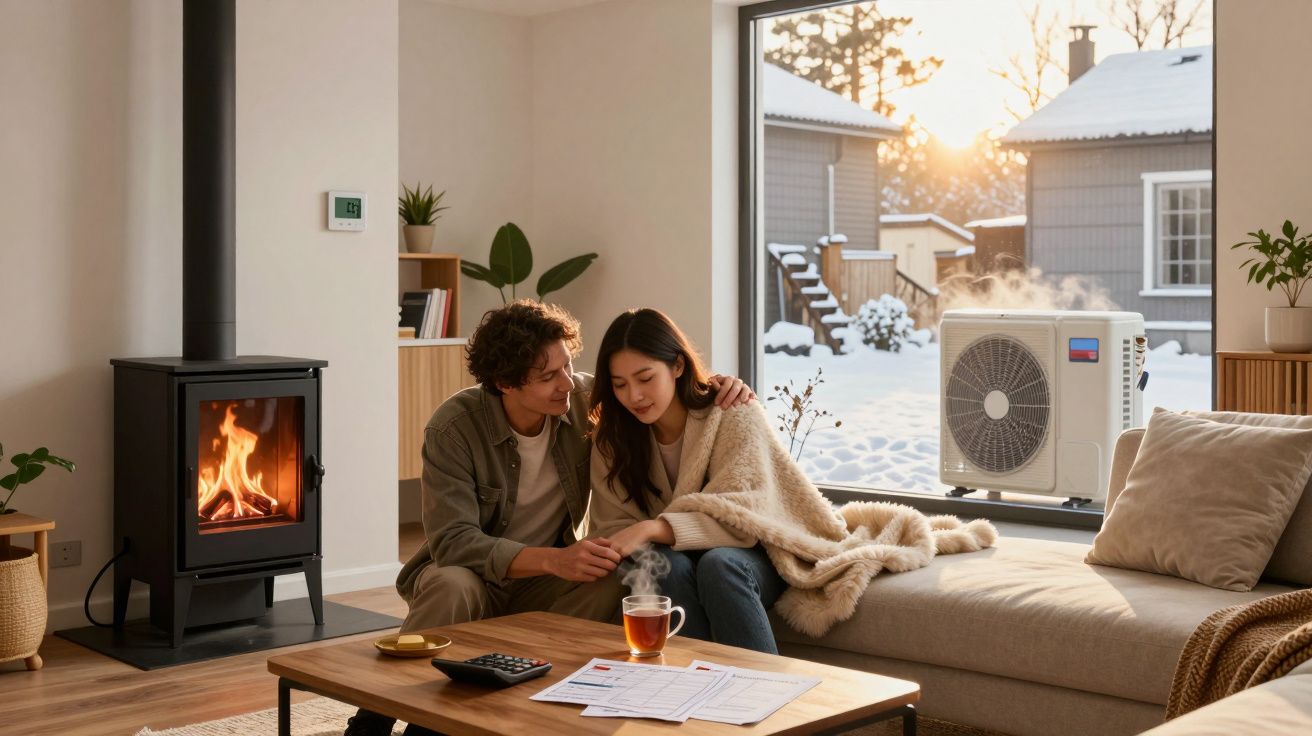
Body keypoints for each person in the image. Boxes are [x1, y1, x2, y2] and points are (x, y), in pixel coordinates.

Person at [346, 300, 752, 736]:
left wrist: (717, 388)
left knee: (615, 573)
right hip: (473, 575)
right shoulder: (454, 428)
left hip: (542, 583)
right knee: (451, 583)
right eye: (547, 377)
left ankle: (530, 707)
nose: (567, 383)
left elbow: (652, 395)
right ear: (505, 383)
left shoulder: (583, 400)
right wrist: (554, 560)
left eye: (568, 365)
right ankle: (371, 720)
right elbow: (453, 542)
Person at [586, 308, 787, 655]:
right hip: (677, 558)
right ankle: (693, 692)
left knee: (719, 565)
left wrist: (653, 528)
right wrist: (650, 535)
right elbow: (613, 526)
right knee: (669, 567)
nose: (634, 395)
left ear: (677, 366)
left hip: (753, 556)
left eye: (645, 378)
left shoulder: (731, 411)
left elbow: (745, 517)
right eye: (620, 384)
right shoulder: (612, 438)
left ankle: (769, 695)